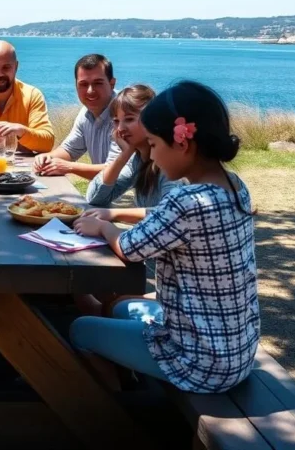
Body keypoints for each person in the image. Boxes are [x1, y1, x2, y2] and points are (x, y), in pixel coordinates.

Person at [69, 81, 258, 394]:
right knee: (117, 309)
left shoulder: (186, 201)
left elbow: (130, 249)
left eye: (155, 145)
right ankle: (133, 382)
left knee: (80, 329)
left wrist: (105, 227)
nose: (152, 156)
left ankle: (116, 415)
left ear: (183, 144)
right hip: (236, 351)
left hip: (199, 362)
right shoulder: (235, 185)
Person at [82, 84, 181, 218]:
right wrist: (124, 156)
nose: (120, 128)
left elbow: (171, 213)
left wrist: (113, 214)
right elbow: (95, 197)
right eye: (116, 121)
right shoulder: (137, 160)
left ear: (151, 119)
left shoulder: (168, 163)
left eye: (129, 119)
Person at [34, 53, 118, 178]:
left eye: (98, 83)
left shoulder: (125, 115)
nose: (90, 90)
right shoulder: (85, 114)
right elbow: (69, 150)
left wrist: (69, 167)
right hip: (105, 193)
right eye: (83, 84)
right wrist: (46, 158)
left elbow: (117, 171)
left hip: (130, 195)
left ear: (112, 84)